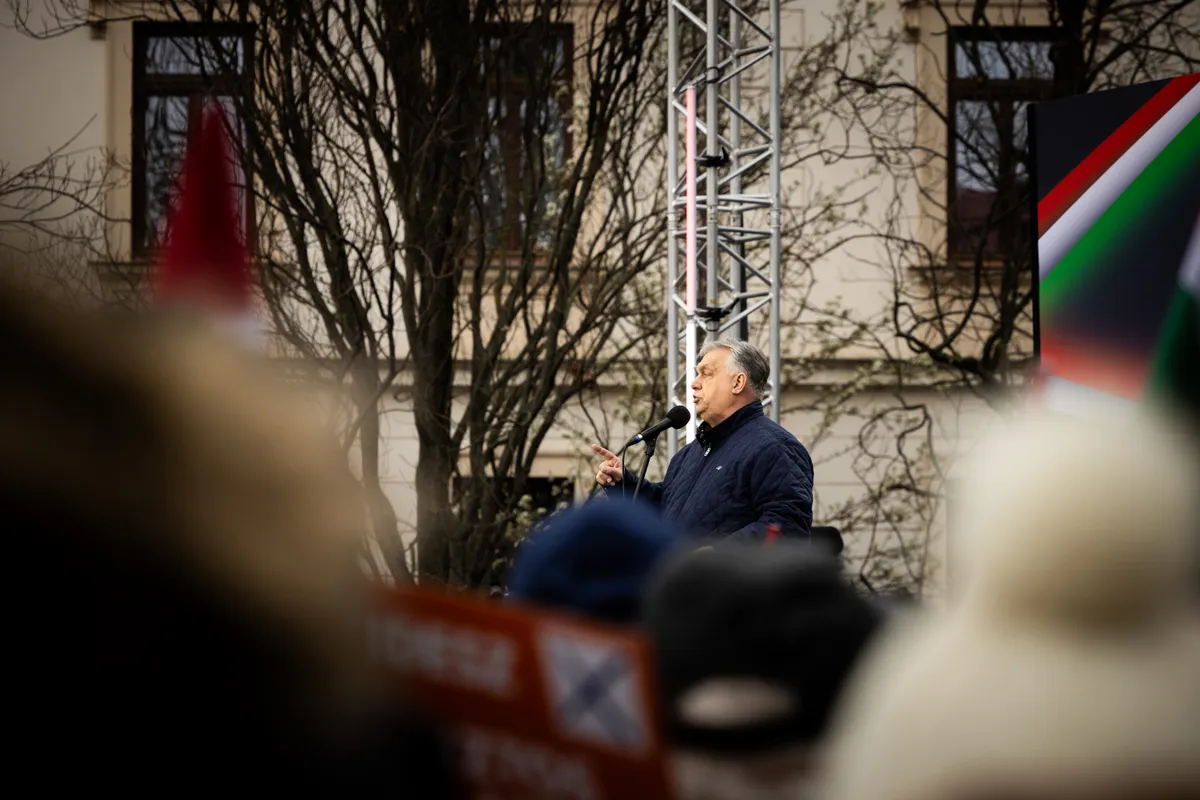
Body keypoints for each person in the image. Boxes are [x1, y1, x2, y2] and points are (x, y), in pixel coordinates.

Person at [592, 339, 814, 542]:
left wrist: (715, 556)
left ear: (737, 383)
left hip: (729, 584)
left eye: (706, 374)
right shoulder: (687, 455)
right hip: (682, 584)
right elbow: (667, 514)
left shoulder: (775, 447)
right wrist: (625, 485)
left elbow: (787, 527)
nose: (694, 384)